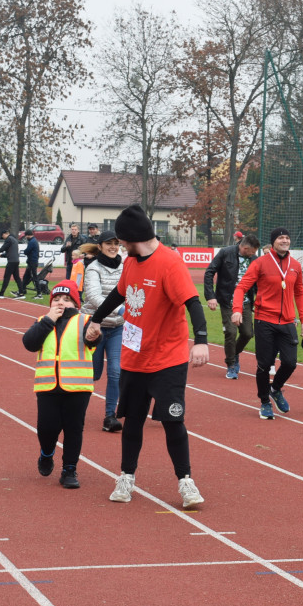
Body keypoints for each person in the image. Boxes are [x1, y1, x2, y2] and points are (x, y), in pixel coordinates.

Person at [86, 204, 209, 507]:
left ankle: (186, 482)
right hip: (134, 356)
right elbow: (119, 293)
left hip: (167, 358)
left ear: (133, 238)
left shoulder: (170, 263)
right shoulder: (131, 262)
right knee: (133, 421)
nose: (120, 246)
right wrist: (96, 319)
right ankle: (126, 478)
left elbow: (193, 302)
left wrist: (202, 341)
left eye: (122, 240)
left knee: (172, 421)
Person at [22, 280, 98, 489]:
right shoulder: (42, 321)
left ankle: (69, 469)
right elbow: (29, 343)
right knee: (47, 428)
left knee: (74, 429)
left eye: (67, 299)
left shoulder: (85, 321)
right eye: (56, 299)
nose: (61, 303)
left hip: (78, 386)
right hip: (47, 386)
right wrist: (48, 320)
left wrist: (95, 336)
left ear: (76, 303)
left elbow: (92, 340)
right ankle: (46, 453)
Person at [232, 226, 303, 419]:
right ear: (273, 241)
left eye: (287, 238)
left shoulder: (295, 265)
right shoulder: (260, 263)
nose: (285, 240)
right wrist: (237, 310)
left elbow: (299, 293)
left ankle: (275, 389)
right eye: (281, 238)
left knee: (290, 362)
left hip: (288, 321)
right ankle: (265, 401)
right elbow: (241, 288)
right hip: (264, 320)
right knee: (264, 364)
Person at [82, 230, 125, 433]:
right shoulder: (93, 268)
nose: (113, 247)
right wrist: (120, 308)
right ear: (99, 246)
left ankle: (110, 416)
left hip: (117, 327)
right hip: (95, 326)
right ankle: (76, 409)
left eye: (116, 243)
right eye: (109, 243)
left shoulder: (126, 265)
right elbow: (93, 296)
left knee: (116, 371)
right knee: (93, 373)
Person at [204, 234, 260, 379]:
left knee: (248, 333)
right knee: (231, 332)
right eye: (252, 251)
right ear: (245, 248)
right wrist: (210, 295)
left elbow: (259, 282)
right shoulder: (225, 253)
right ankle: (231, 364)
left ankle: (234, 353)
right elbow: (209, 272)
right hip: (227, 299)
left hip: (246, 302)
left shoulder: (254, 260)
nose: (254, 254)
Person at [0, 228, 25, 298]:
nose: (3, 238)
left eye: (2, 236)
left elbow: (3, 248)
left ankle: (1, 293)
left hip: (11, 262)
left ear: (5, 234)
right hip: (16, 261)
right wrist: (1, 255)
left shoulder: (8, 239)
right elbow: (10, 252)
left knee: (6, 277)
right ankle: (21, 293)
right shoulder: (14, 240)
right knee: (17, 278)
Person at [20, 229, 41, 298]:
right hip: (32, 262)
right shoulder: (34, 241)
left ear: (28, 235)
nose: (25, 237)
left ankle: (39, 294)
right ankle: (22, 290)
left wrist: (25, 251)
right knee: (25, 277)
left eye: (26, 236)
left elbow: (27, 251)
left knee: (35, 278)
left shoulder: (32, 242)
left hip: (32, 262)